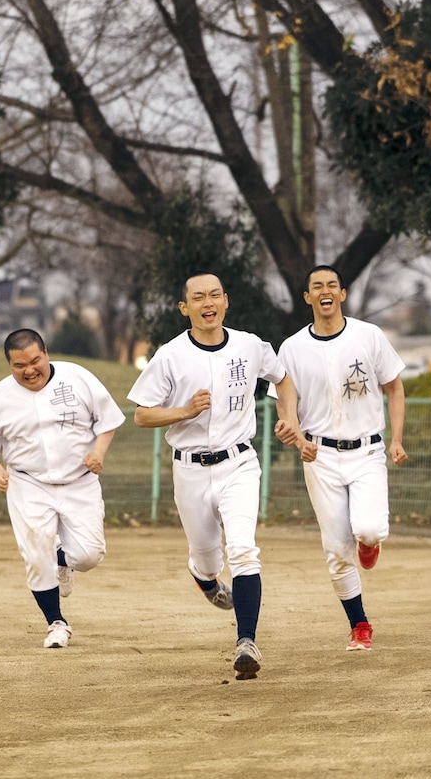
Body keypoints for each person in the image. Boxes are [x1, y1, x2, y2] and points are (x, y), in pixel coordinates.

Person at [127, 271, 301, 680]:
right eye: (198, 297)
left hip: (239, 462)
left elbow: (283, 379)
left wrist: (289, 416)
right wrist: (184, 411)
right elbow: (141, 414)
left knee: (243, 549)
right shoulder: (170, 355)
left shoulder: (249, 345)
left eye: (214, 295)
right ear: (184, 308)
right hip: (190, 468)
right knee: (207, 558)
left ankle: (247, 642)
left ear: (226, 300)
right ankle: (204, 577)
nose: (208, 303)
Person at [276, 265, 408, 652]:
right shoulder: (292, 348)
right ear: (308, 298)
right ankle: (359, 624)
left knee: (369, 529)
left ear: (343, 294)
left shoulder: (369, 336)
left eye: (332, 285)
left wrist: (396, 439)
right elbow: (287, 406)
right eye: (316, 286)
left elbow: (395, 388)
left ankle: (369, 544)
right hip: (319, 456)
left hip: (367, 450)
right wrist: (295, 437)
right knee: (336, 549)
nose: (325, 291)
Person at [0, 328, 125, 650]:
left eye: (34, 361)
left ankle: (62, 560)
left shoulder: (78, 378)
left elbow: (107, 419)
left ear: (46, 353)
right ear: (9, 365)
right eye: (19, 365)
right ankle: (56, 623)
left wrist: (98, 453)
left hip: (79, 481)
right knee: (36, 556)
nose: (29, 370)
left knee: (90, 555)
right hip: (28, 483)